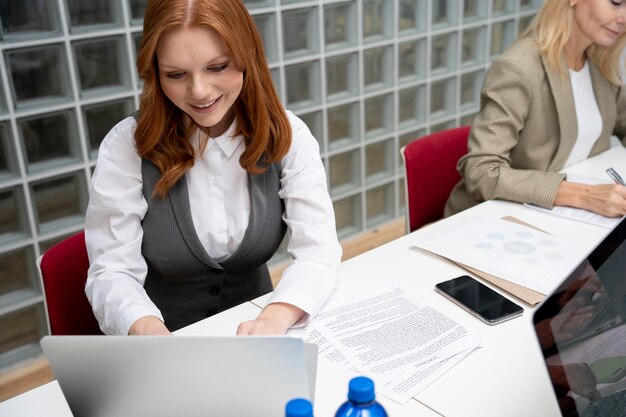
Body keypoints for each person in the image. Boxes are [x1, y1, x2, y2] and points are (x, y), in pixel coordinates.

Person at [84, 0, 342, 336]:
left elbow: (318, 251)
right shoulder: (127, 146)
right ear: (154, 72)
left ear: (247, 56)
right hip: (164, 340)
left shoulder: (287, 136)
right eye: (176, 75)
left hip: (259, 330)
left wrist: (274, 318)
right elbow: (111, 272)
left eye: (218, 67)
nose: (199, 91)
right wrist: (147, 331)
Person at [445, 0, 626, 217]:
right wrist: (584, 195)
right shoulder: (520, 67)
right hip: (499, 221)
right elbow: (482, 172)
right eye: (616, 2)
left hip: (567, 219)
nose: (623, 18)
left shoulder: (598, 63)